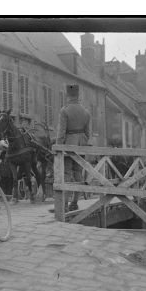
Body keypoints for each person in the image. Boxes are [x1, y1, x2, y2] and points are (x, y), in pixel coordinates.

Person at [54, 84, 90, 212]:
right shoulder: (86, 112)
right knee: (78, 173)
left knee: (67, 174)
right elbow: (88, 133)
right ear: (78, 95)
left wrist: (58, 146)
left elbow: (61, 132)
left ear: (67, 95)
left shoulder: (64, 110)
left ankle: (64, 205)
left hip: (69, 145)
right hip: (82, 145)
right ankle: (74, 202)